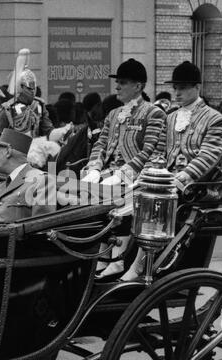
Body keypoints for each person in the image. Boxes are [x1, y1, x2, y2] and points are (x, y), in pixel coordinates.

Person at [121, 61, 222, 282]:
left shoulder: (215, 118)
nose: (177, 93)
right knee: (126, 194)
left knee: (154, 198)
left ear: (196, 87)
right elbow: (159, 152)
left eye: (183, 88)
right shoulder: (170, 117)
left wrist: (183, 176)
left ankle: (139, 264)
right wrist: (149, 173)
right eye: (176, 88)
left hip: (196, 187)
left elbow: (208, 156)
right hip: (169, 180)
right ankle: (115, 255)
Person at [81, 58, 167, 280]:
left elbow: (149, 151)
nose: (117, 86)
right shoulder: (113, 114)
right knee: (77, 196)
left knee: (117, 200)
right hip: (109, 175)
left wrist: (124, 174)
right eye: (117, 82)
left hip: (138, 178)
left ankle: (117, 259)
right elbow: (101, 145)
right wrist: (93, 167)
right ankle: (99, 254)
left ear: (138, 86)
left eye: (123, 82)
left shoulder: (152, 113)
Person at [0, 49, 71, 143]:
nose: (33, 92)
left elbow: (48, 131)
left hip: (36, 150)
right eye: (29, 89)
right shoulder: (8, 108)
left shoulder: (39, 105)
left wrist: (61, 132)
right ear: (21, 87)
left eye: (34, 88)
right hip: (15, 152)